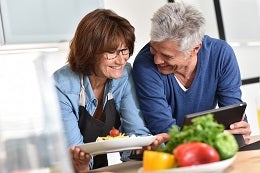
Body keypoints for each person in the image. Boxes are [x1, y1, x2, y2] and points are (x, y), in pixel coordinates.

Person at [52, 9, 166, 172]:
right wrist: (81, 166)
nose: (121, 60)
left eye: (124, 50)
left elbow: (136, 131)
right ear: (89, 51)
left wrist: (145, 149)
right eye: (112, 52)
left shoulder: (124, 75)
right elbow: (74, 152)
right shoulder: (61, 85)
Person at [132, 2, 251, 145]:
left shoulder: (221, 54)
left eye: (167, 56)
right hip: (164, 154)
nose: (157, 60)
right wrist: (215, 138)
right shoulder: (144, 65)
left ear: (195, 49)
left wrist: (239, 129)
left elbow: (232, 113)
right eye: (153, 49)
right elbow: (163, 128)